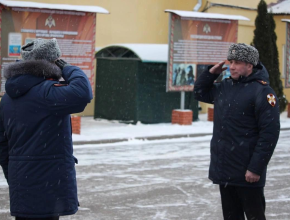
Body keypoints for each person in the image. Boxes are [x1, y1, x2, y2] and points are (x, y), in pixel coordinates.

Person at [0, 38, 93, 219]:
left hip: (23, 185)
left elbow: (2, 144)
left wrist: (15, 177)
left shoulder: (8, 98)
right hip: (48, 187)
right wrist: (65, 65)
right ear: (51, 63)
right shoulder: (48, 93)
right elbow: (83, 92)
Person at [193, 43, 280, 220]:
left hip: (249, 174)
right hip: (226, 171)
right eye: (231, 61)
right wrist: (211, 73)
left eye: (237, 62)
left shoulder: (263, 92)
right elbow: (200, 93)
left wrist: (255, 168)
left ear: (250, 65)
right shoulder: (225, 87)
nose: (232, 66)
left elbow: (269, 134)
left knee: (255, 216)